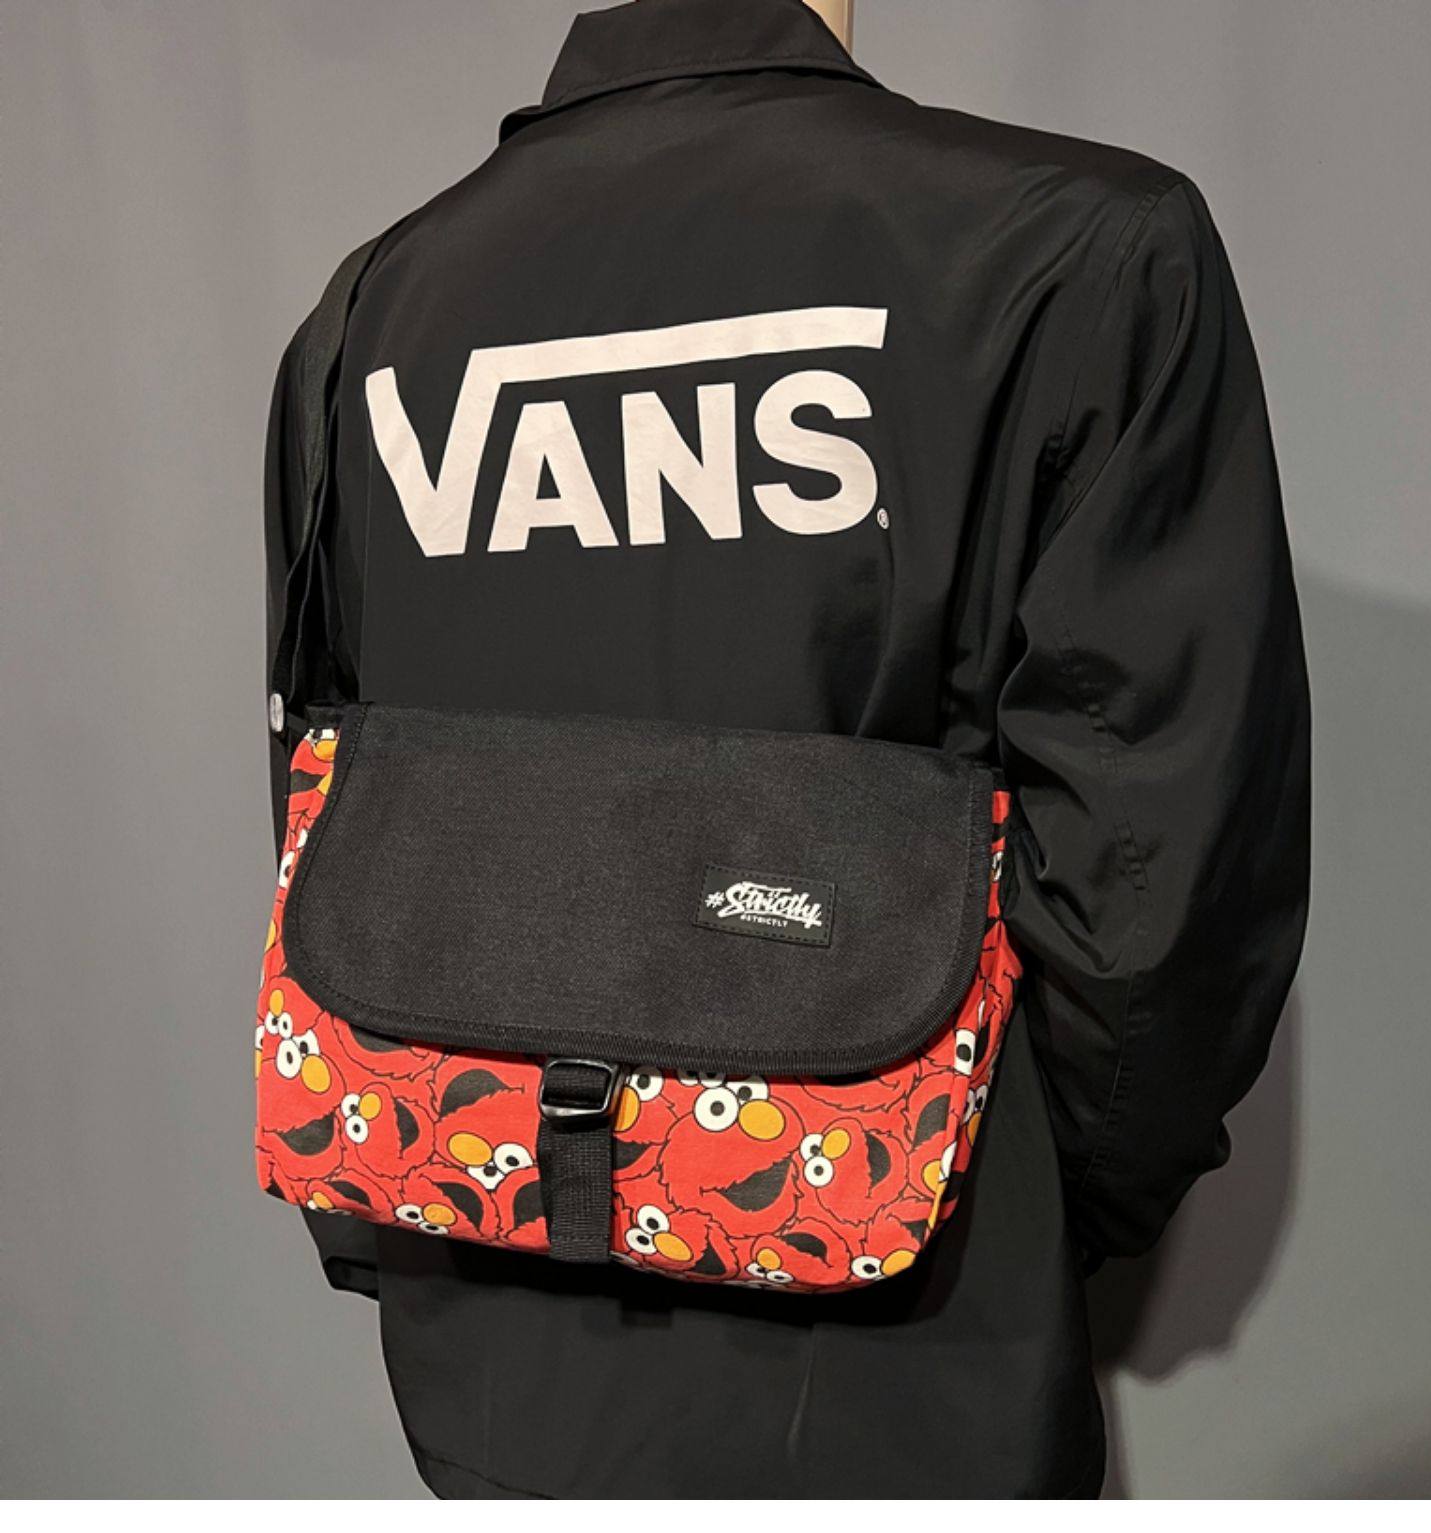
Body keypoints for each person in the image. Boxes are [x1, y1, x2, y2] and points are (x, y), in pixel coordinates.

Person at [264, 0, 1310, 1498]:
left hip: (494, 1354)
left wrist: (450, 1188)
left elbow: (323, 821)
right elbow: (1165, 883)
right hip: (916, 1323)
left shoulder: (373, 311)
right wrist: (1009, 1195)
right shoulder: (1079, 248)